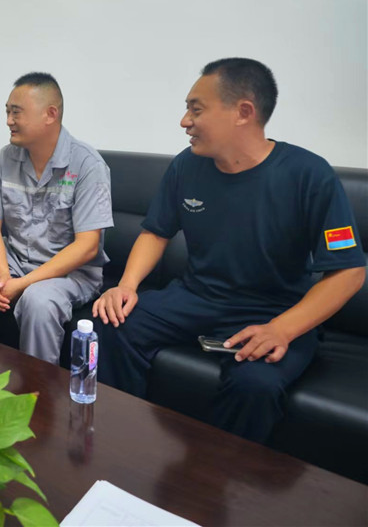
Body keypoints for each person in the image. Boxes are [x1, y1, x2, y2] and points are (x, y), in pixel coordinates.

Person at [93, 58, 365, 442]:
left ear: (243, 112)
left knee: (256, 385)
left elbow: (349, 271)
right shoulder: (186, 166)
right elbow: (155, 233)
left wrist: (283, 329)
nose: (184, 121)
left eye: (196, 109)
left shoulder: (310, 175)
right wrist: (127, 285)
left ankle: (217, 473)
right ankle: (119, 440)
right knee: (110, 324)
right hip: (196, 296)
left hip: (274, 310)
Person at [0, 72, 113, 364]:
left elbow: (87, 246)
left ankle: (37, 390)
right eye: (7, 112)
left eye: (16, 112)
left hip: (70, 273)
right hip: (15, 260)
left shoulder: (88, 165)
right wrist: (3, 275)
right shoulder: (6, 158)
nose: (9, 121)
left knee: (38, 300)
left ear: (50, 114)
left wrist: (21, 284)